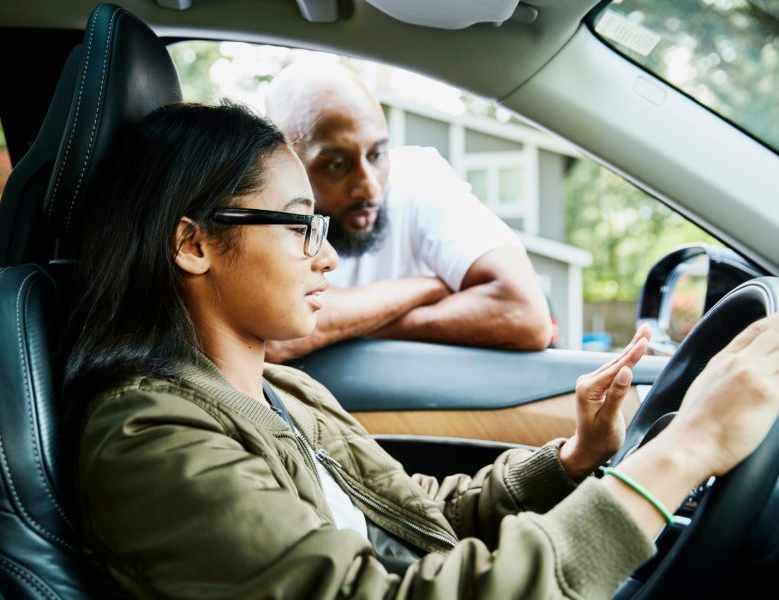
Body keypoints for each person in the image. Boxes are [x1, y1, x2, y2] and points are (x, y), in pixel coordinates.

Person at [64, 101, 779, 599]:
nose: (327, 260)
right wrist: (681, 454)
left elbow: (417, 518)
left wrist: (576, 457)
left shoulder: (286, 391)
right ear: (193, 244)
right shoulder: (151, 441)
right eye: (297, 226)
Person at [263, 65, 552, 362]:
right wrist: (428, 288)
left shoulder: (419, 179)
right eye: (337, 164)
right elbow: (273, 338)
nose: (370, 187)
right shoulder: (259, 210)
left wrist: (340, 326)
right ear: (284, 164)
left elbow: (524, 313)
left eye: (376, 155)